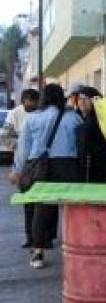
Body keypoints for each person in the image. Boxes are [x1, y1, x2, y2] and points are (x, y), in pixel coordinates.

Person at [10, 84, 83, 268]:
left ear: (43, 98)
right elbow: (81, 145)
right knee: (71, 208)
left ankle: (38, 252)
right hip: (67, 166)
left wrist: (17, 169)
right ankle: (78, 248)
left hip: (40, 166)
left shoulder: (32, 118)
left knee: (41, 208)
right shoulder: (74, 118)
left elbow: (23, 148)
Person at [5, 88, 40, 248]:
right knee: (28, 202)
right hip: (24, 164)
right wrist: (16, 145)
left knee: (41, 202)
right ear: (22, 102)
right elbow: (5, 134)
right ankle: (29, 236)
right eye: (27, 103)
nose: (30, 105)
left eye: (33, 103)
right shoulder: (15, 114)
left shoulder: (42, 113)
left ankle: (40, 238)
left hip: (39, 163)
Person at [75, 86, 106, 183]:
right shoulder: (81, 117)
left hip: (96, 165)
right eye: (79, 98)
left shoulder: (100, 118)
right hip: (87, 165)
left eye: (85, 99)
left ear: (93, 100)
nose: (81, 102)